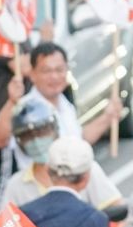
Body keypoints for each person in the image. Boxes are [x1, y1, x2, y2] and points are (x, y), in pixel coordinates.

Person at [10, 42, 122, 177]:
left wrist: (108, 117)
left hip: (71, 183)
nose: (54, 77)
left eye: (59, 70)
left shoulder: (65, 104)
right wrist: (12, 102)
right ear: (32, 74)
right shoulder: (25, 110)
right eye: (47, 71)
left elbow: (79, 140)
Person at [1, 95, 123, 209]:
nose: (36, 141)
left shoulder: (83, 168)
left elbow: (115, 209)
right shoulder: (16, 186)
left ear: (55, 130)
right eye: (27, 136)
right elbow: (5, 226)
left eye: (42, 131)